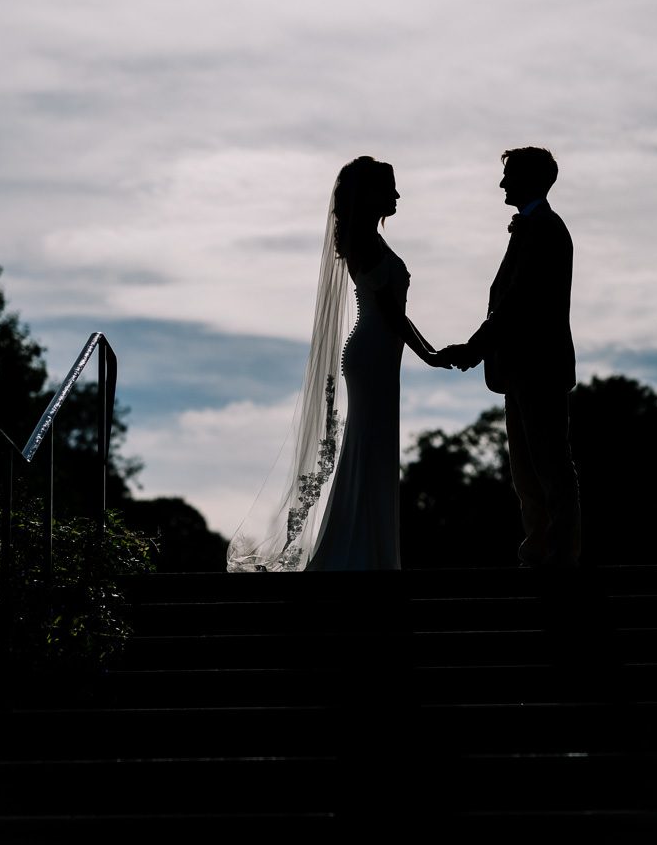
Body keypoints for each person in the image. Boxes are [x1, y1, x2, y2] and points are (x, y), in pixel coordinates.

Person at [226, 155, 444, 572]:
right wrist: (429, 354)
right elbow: (390, 313)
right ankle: (357, 552)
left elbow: (395, 314)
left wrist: (429, 350)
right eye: (390, 188)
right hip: (370, 356)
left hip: (380, 356)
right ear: (370, 195)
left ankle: (371, 550)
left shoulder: (370, 241)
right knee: (367, 447)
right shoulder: (363, 240)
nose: (397, 195)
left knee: (374, 449)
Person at [437, 146, 581, 569]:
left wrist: (472, 348)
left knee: (550, 467)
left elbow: (516, 303)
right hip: (520, 370)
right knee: (527, 472)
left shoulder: (544, 229)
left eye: (510, 175)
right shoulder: (533, 228)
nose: (502, 183)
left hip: (538, 368)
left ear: (533, 180)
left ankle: (558, 558)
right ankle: (539, 551)